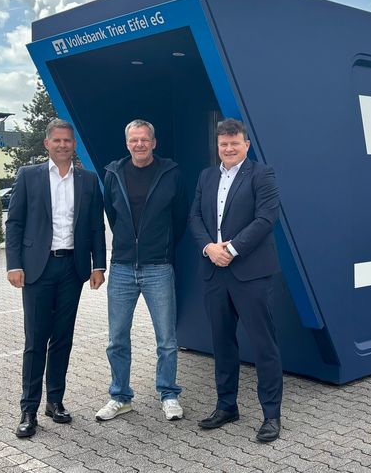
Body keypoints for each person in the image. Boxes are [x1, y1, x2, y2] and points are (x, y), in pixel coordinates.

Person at [6, 118, 107, 438]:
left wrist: (98, 265)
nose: (63, 145)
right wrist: (13, 264)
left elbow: (95, 227)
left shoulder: (88, 181)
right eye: (57, 140)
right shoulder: (29, 176)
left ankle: (56, 401)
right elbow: (15, 224)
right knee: (36, 341)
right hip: (37, 269)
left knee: (62, 338)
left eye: (68, 141)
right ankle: (28, 409)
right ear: (47, 144)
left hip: (72, 269)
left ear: (73, 144)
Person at [188, 118, 283, 443]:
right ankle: (226, 406)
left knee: (263, 344)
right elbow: (195, 217)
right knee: (222, 342)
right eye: (223, 144)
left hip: (250, 273)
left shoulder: (262, 174)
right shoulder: (206, 175)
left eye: (234, 143)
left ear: (246, 144)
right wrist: (209, 248)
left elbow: (266, 218)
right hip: (215, 272)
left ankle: (271, 415)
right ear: (218, 146)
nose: (228, 149)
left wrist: (230, 248)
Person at [95, 119, 188, 422]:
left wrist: (160, 246)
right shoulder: (113, 174)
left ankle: (169, 393)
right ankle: (120, 397)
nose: (139, 145)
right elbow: (112, 213)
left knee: (167, 339)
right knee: (117, 338)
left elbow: (180, 217)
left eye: (145, 140)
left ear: (154, 142)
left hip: (158, 266)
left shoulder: (170, 172)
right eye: (134, 140)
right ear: (127, 143)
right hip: (121, 267)